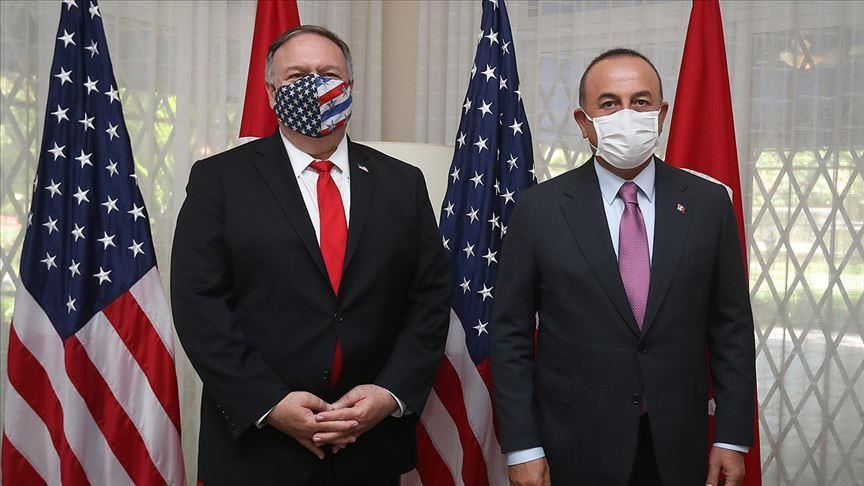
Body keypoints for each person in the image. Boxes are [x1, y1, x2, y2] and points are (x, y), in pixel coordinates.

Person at [171, 25, 451, 486]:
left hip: (370, 448)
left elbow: (430, 299)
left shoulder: (403, 183)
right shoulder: (219, 180)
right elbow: (198, 303)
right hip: (257, 451)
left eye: (328, 74)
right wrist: (269, 403)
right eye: (297, 75)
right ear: (270, 92)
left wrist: (389, 393)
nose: (314, 85)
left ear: (350, 87)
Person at [489, 48, 756, 486]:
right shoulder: (539, 210)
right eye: (609, 103)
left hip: (678, 443)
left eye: (641, 102)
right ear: (584, 122)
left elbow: (731, 328)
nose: (627, 115)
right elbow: (510, 335)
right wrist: (522, 446)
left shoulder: (708, 204)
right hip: (573, 443)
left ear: (661, 115)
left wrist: (731, 437)